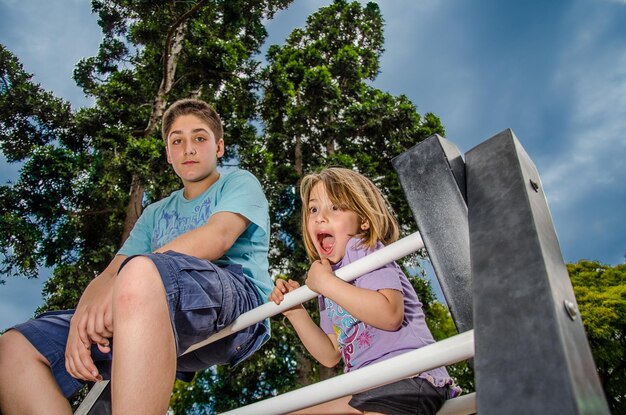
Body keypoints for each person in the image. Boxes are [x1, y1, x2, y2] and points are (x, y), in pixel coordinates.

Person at [0, 98, 273, 414]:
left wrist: (129, 280)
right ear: (168, 154)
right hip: (145, 310)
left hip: (236, 303)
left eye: (200, 138)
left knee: (139, 272)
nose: (189, 148)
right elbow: (108, 275)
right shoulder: (155, 213)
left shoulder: (238, 182)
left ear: (219, 147)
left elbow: (218, 237)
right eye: (177, 141)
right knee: (15, 348)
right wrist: (80, 320)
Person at [270, 167, 460, 415]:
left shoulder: (362, 247)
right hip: (365, 385)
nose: (320, 218)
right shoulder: (327, 277)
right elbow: (330, 354)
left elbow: (390, 315)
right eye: (314, 209)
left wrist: (326, 284)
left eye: (335, 208)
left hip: (408, 375)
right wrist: (295, 311)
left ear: (363, 221)